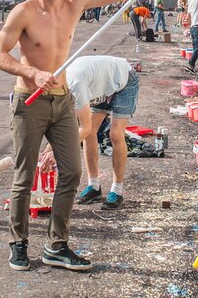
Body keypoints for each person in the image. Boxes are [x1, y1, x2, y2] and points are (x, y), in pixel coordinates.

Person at [0, 0, 181, 272]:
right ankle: (18, 244)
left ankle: (56, 245)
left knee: (72, 172)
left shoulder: (74, 3)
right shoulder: (23, 12)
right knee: (24, 177)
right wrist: (32, 73)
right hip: (30, 102)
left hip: (63, 100)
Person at [37, 55, 138, 211]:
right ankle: (94, 186)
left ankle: (117, 190)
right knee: (90, 134)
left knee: (115, 134)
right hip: (100, 85)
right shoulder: (58, 89)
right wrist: (48, 151)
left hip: (124, 79)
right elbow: (66, 126)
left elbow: (85, 127)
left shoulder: (75, 84)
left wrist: (58, 152)